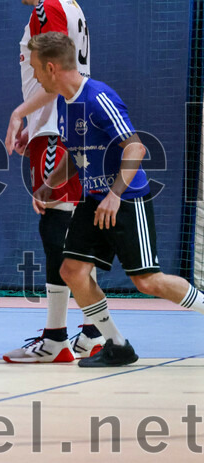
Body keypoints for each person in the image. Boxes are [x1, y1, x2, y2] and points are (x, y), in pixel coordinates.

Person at [27, 32, 204, 367]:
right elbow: (76, 155)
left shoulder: (98, 97)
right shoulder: (65, 102)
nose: (34, 76)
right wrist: (49, 185)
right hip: (95, 199)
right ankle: (117, 344)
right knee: (72, 270)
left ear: (51, 68)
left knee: (147, 281)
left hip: (125, 199)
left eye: (35, 69)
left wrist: (114, 195)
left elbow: (136, 147)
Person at [0, 0, 104, 363]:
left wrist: (22, 114)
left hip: (57, 123)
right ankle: (92, 331)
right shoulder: (71, 3)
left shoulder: (47, 9)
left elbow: (58, 74)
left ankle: (56, 338)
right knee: (72, 225)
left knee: (55, 226)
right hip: (65, 121)